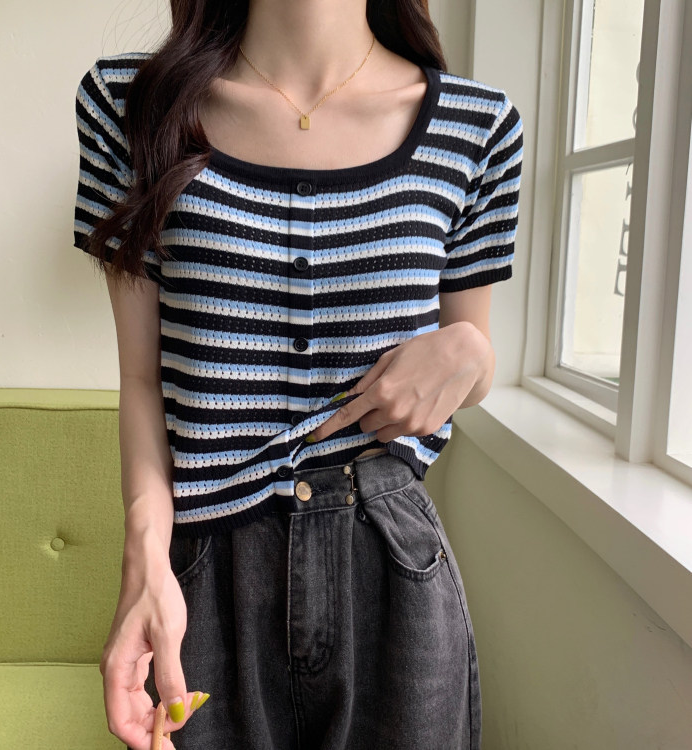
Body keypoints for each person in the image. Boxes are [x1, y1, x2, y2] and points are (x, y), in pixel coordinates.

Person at [72, 0, 523, 748]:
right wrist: (144, 555)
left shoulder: (476, 128)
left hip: (392, 563)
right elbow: (142, 379)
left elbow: (467, 363)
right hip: (205, 564)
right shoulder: (129, 106)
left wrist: (474, 351)